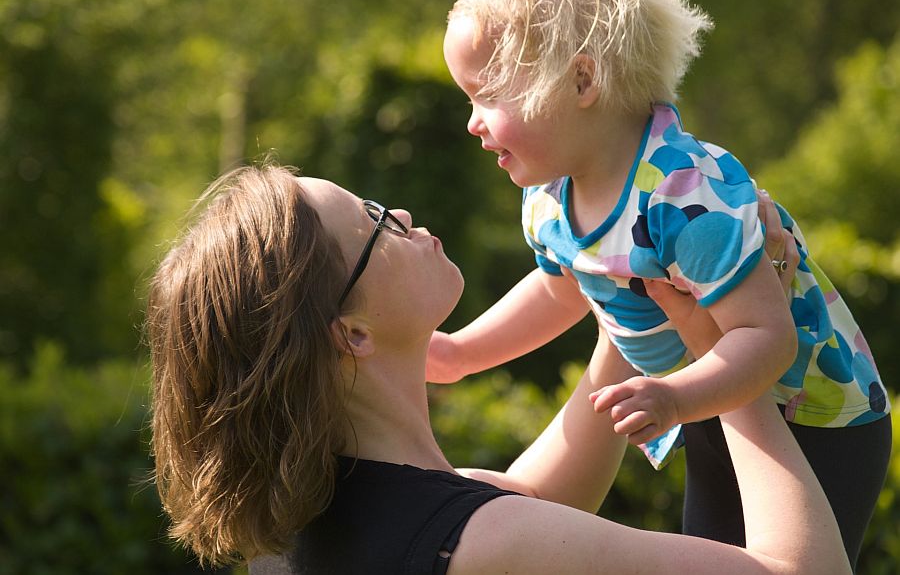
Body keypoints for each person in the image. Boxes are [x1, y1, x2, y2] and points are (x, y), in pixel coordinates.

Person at [431, 0, 891, 569]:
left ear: (581, 81)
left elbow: (766, 337)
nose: (473, 121)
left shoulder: (684, 196)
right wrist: (459, 352)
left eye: (487, 95)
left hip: (816, 417)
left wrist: (676, 398)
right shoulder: (550, 194)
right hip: (707, 398)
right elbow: (561, 288)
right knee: (715, 550)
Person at [147, 163, 851, 574]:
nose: (401, 212)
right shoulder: (486, 544)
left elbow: (534, 493)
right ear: (352, 333)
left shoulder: (315, 528)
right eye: (373, 224)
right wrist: (733, 350)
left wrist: (626, 291)